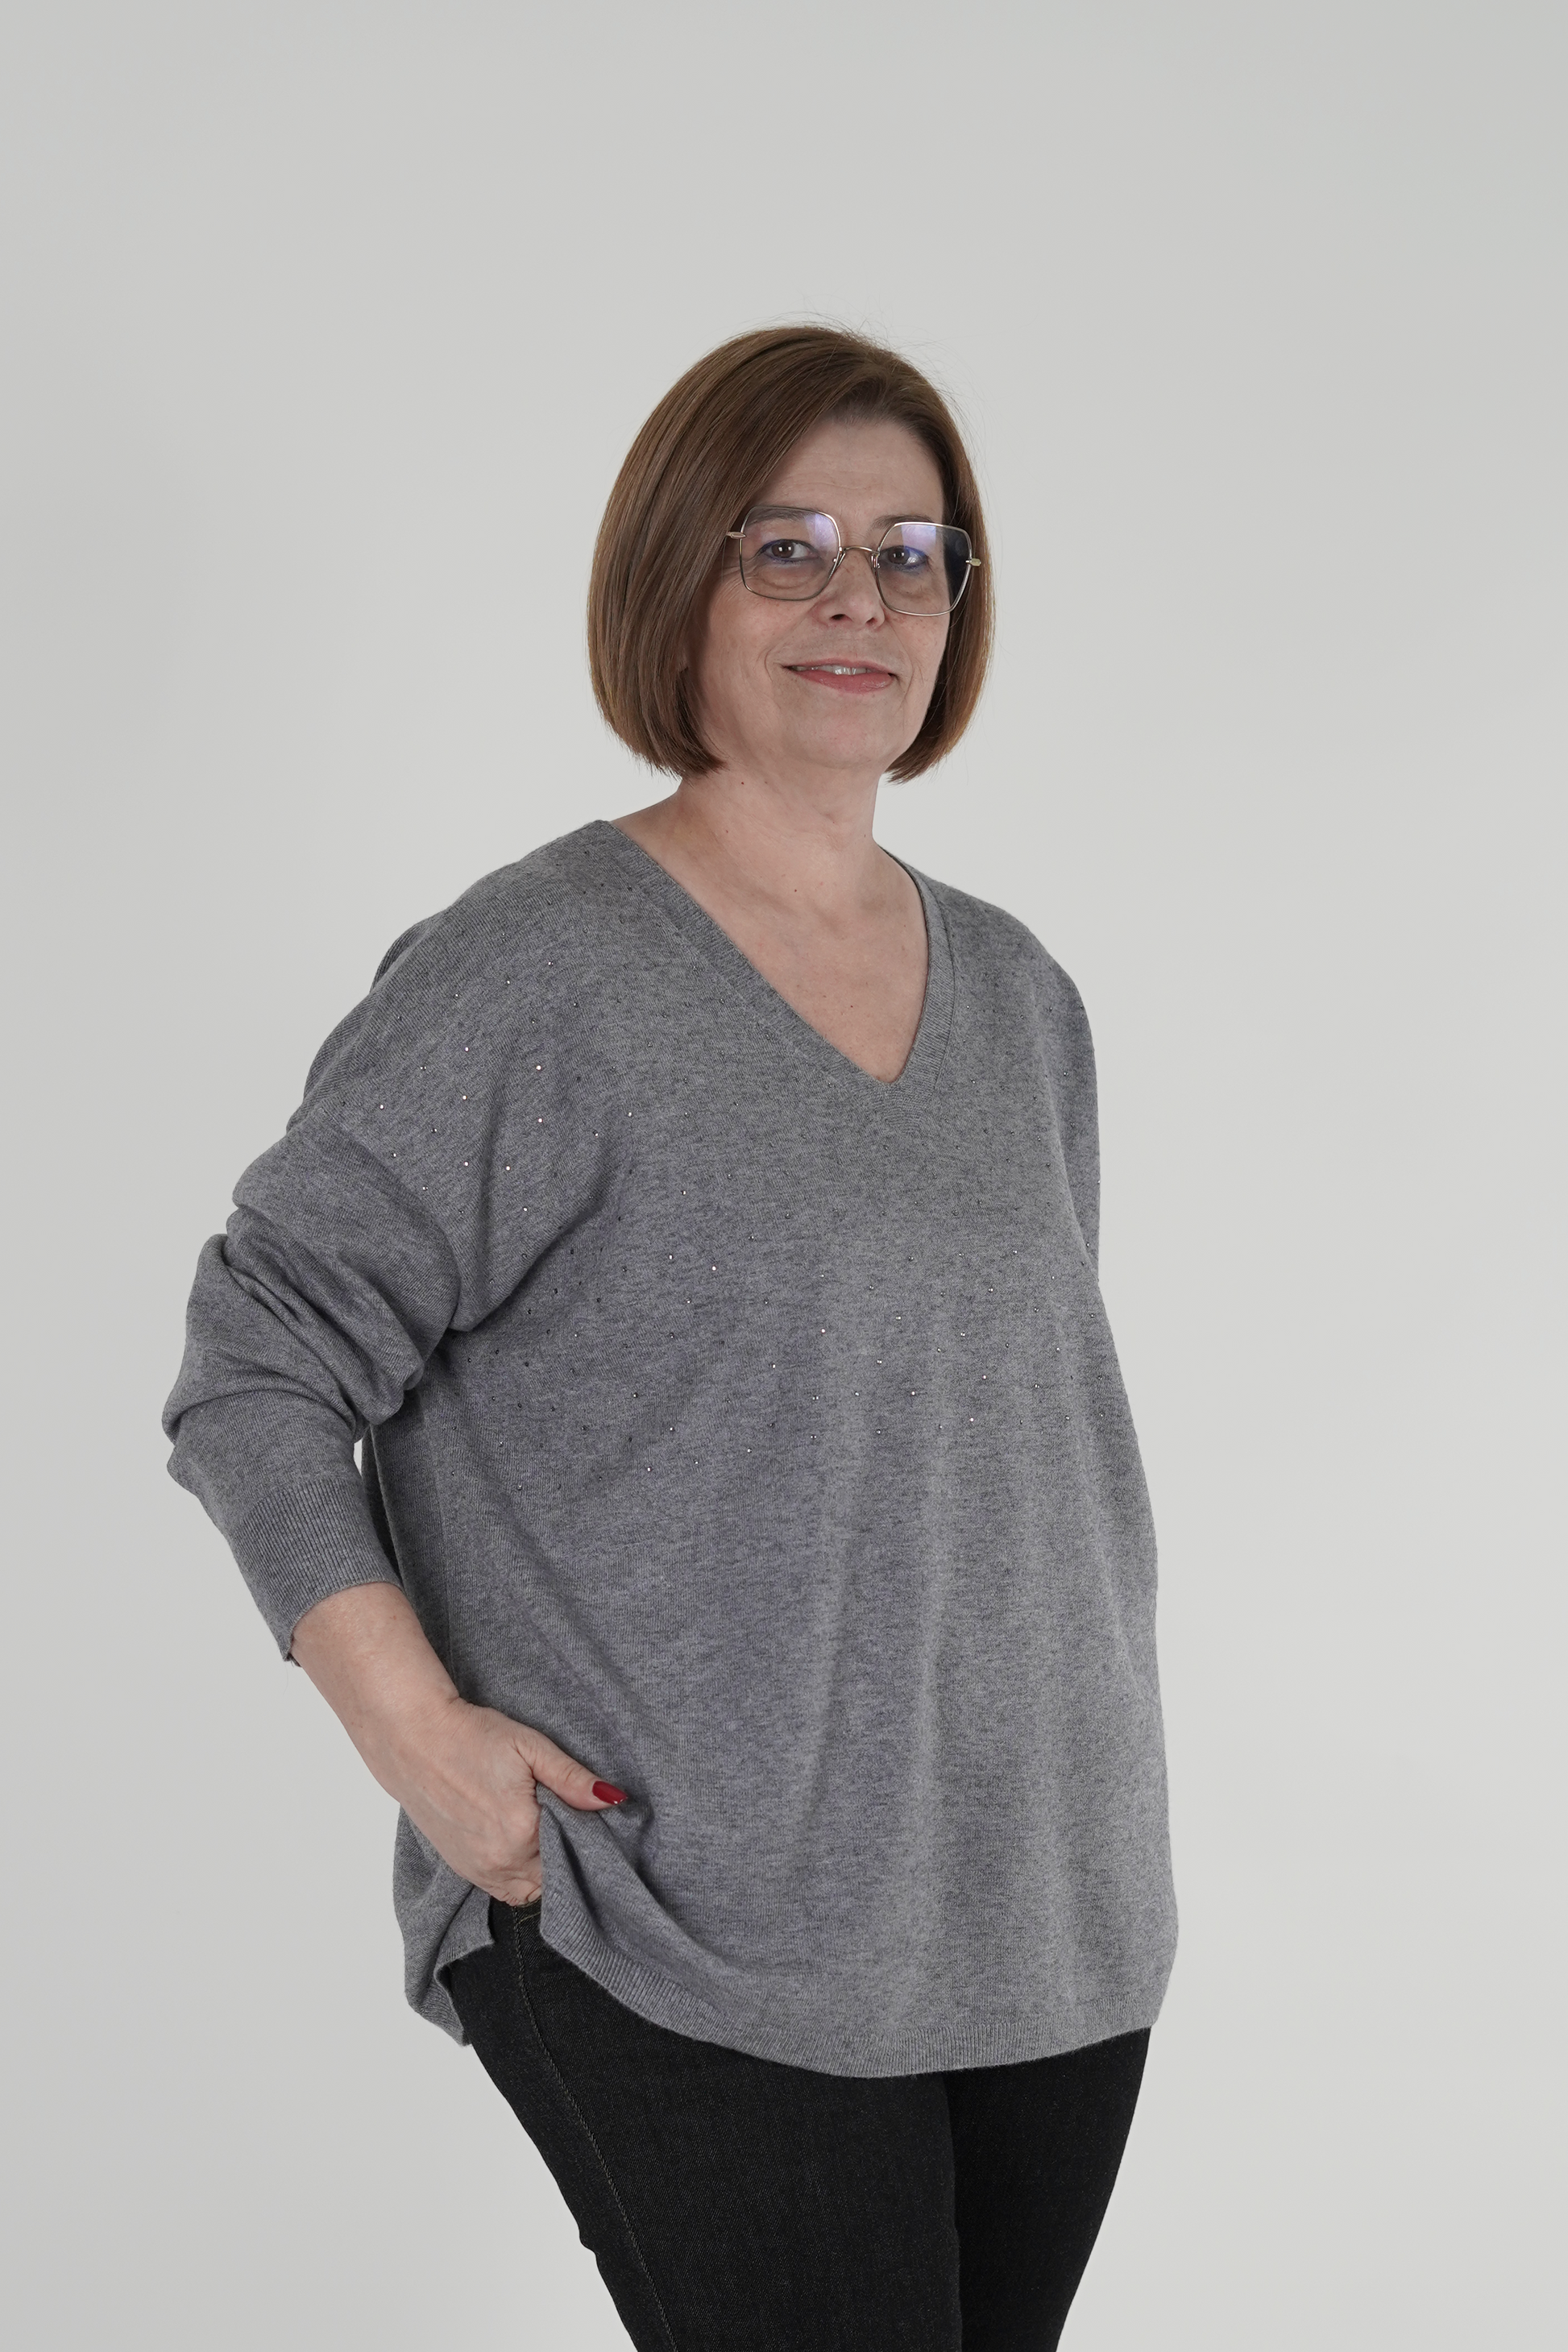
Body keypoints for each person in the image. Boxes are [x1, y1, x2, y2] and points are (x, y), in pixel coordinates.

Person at [164, 325, 1177, 2350]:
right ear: (674, 586)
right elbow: (256, 1350)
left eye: (909, 553)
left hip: (1040, 1913)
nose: (856, 599)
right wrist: (415, 1735)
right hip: (678, 1914)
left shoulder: (1022, 997)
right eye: (784, 547)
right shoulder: (538, 971)